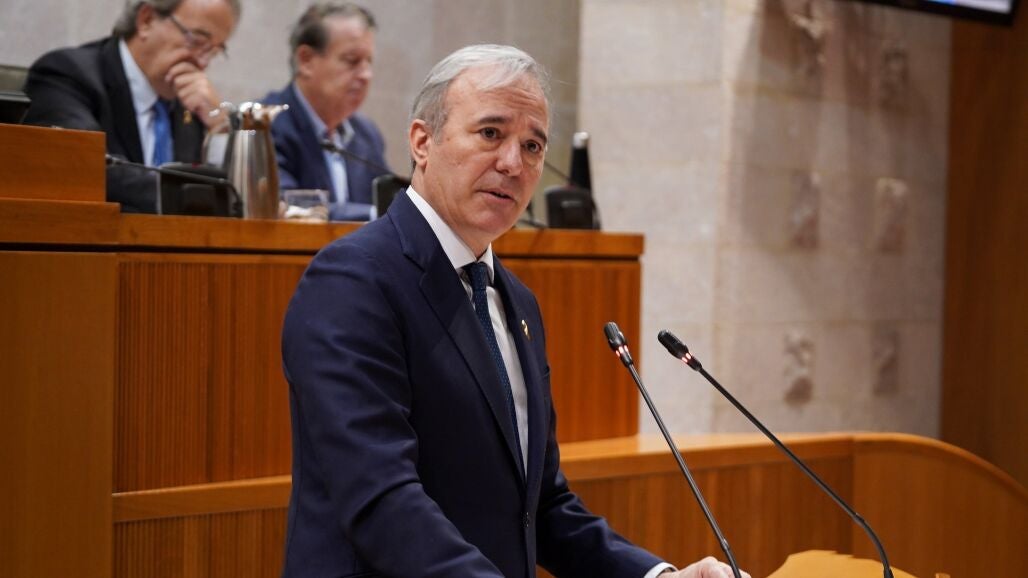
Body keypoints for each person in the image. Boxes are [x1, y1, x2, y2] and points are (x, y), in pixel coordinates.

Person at [280, 44, 750, 578]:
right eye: (490, 133)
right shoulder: (353, 282)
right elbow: (382, 500)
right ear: (422, 141)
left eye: (532, 146)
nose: (513, 163)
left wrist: (657, 577)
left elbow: (541, 507)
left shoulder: (515, 300)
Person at [22, 0, 240, 214]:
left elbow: (232, 195)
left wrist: (220, 125)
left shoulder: (191, 105)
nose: (203, 63)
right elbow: (87, 168)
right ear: (146, 20)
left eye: (214, 51)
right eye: (197, 41)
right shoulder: (66, 74)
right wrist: (190, 196)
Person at [262, 2, 390, 222]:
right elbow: (284, 206)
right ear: (306, 60)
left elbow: (390, 200)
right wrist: (375, 214)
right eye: (352, 61)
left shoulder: (367, 135)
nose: (366, 75)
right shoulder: (266, 125)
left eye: (369, 62)